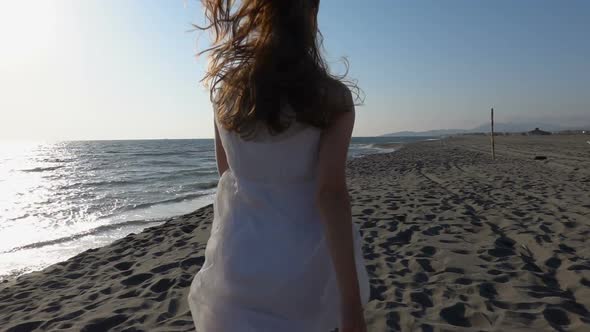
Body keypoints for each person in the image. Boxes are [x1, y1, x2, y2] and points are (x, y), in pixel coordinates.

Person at [187, 0, 370, 331]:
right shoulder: (331, 98)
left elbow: (226, 173)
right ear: (310, 15)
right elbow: (330, 194)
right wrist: (351, 306)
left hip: (239, 257)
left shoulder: (227, 95)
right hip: (305, 265)